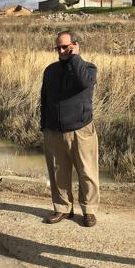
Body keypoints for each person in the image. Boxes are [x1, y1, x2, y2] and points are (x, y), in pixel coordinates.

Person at [40, 31, 99, 227]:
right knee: (58, 173)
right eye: (58, 47)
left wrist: (74, 57)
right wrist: (44, 125)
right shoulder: (50, 70)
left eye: (65, 46)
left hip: (81, 130)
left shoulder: (88, 68)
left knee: (87, 172)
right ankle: (63, 208)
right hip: (54, 131)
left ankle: (89, 211)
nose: (61, 50)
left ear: (75, 45)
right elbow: (45, 99)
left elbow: (84, 82)